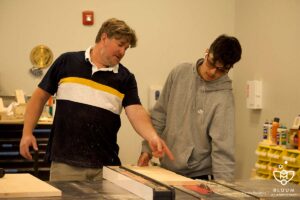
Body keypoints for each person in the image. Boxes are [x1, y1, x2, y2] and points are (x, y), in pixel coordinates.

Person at [20, 18, 174, 181]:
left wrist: (152, 136)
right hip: (66, 164)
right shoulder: (67, 62)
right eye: (120, 44)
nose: (123, 52)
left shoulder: (125, 78)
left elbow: (136, 111)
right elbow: (38, 98)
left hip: (105, 167)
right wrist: (27, 133)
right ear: (104, 38)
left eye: (126, 48)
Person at [138, 34, 242, 182]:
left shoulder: (224, 97)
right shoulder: (180, 73)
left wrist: (224, 190)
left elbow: (223, 150)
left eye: (221, 70)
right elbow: (159, 115)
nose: (213, 72)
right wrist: (147, 150)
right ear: (207, 52)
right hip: (166, 171)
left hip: (199, 177)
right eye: (212, 63)